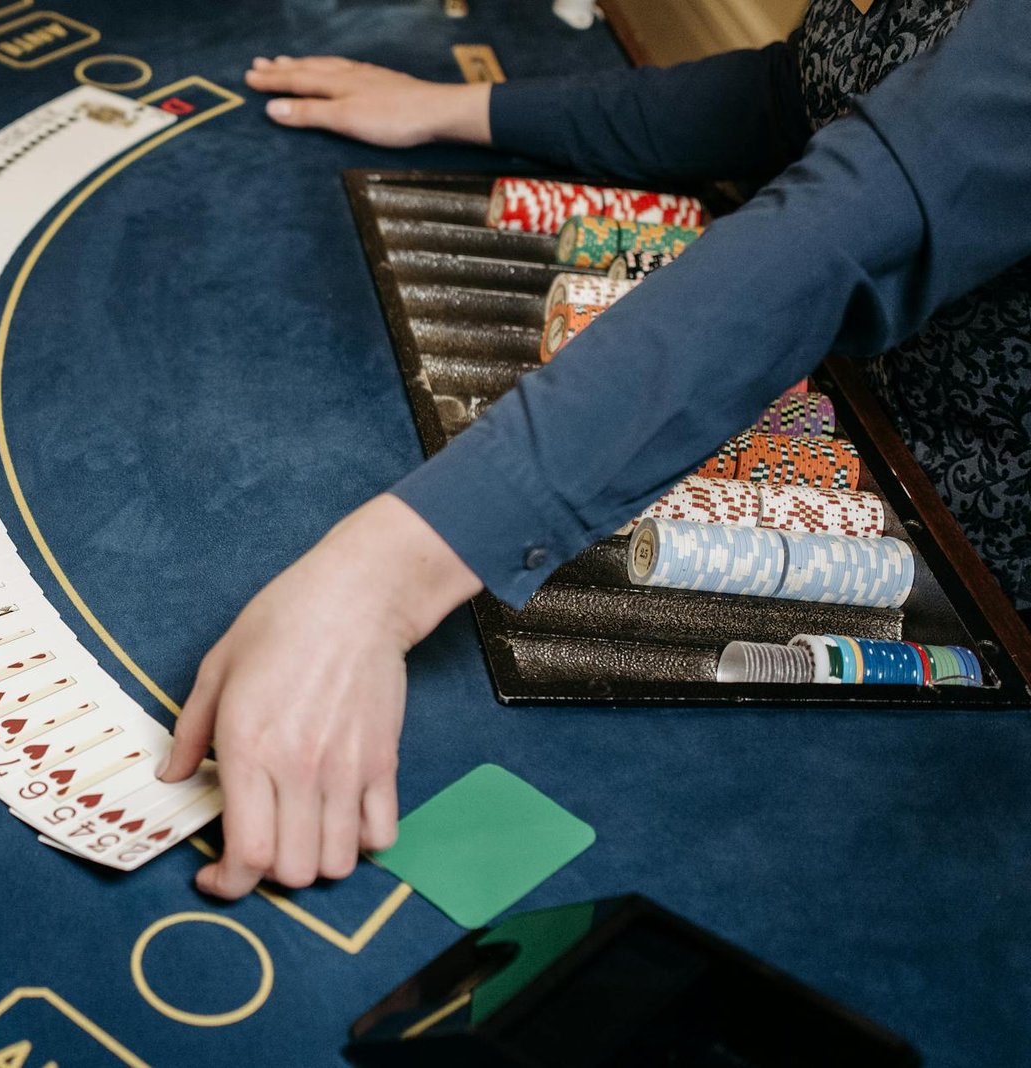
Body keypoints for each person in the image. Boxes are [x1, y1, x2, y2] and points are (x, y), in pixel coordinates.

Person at [159, 0, 1031, 901]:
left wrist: (376, 582)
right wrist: (460, 110)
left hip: (976, 585)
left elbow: (837, 235)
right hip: (851, 418)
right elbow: (794, 99)